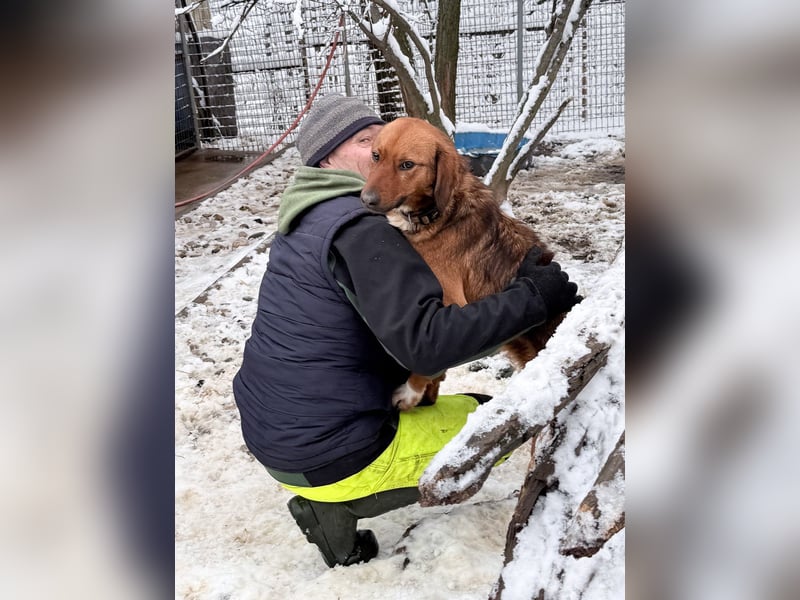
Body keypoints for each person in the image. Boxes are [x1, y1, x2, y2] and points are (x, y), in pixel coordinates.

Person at [232, 94, 580, 568]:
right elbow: (431, 344)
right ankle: (337, 508)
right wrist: (535, 297)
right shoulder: (363, 228)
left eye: (389, 148)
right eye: (368, 148)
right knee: (497, 425)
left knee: (473, 407)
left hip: (274, 434)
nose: (380, 159)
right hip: (331, 455)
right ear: (327, 157)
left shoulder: (304, 214)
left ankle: (330, 492)